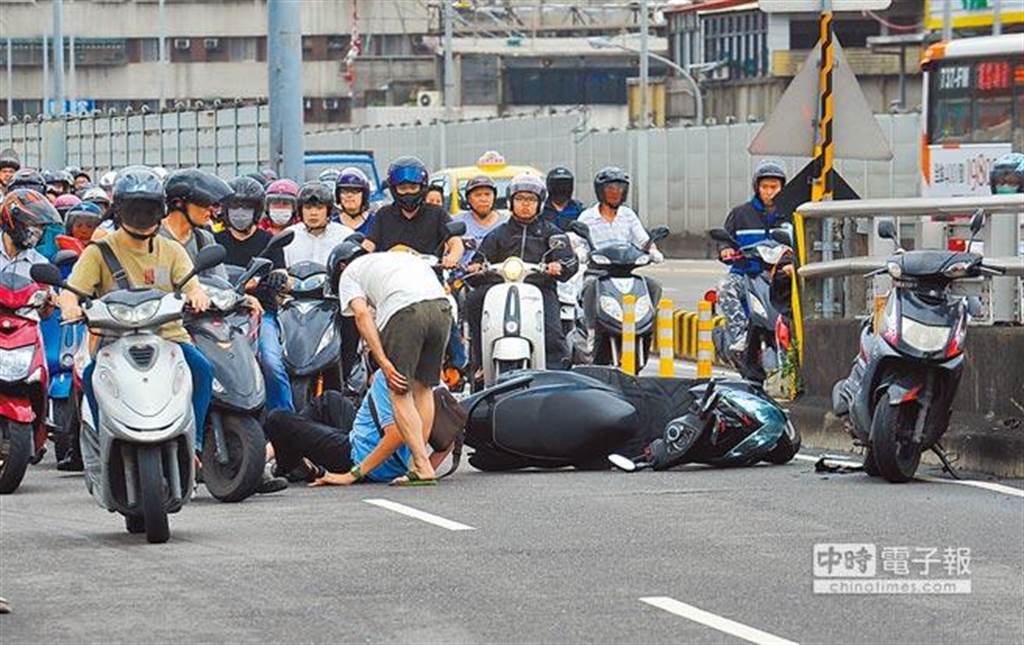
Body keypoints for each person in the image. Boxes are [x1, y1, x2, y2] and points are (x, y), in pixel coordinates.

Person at [56, 166, 215, 453]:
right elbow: (71, 292)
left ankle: (194, 443)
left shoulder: (172, 250)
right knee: (92, 378)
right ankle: (107, 443)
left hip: (169, 336)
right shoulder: (99, 251)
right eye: (134, 208)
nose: (142, 215)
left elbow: (192, 284)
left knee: (202, 370)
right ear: (119, 210)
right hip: (114, 338)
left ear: (161, 209)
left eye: (148, 208)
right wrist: (70, 308)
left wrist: (198, 295)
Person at [331, 240, 453, 485]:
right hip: (441, 308)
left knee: (399, 390)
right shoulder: (392, 259)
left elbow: (362, 316)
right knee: (423, 388)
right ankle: (419, 464)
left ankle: (420, 464)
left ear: (341, 266)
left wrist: (383, 361)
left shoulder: (350, 273)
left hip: (405, 312)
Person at [465, 173, 578, 371]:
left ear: (540, 203)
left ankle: (556, 373)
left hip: (540, 290)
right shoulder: (498, 234)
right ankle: (480, 363)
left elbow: (568, 259)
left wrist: (559, 266)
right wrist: (476, 268)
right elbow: (478, 261)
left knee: (552, 333)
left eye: (531, 199)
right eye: (520, 199)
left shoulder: (552, 233)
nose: (525, 204)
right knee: (474, 300)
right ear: (510, 201)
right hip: (500, 290)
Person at [266, 372, 458, 486]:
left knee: (278, 420)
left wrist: (353, 474)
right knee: (330, 400)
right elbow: (450, 435)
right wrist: (421, 467)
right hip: (388, 457)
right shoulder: (434, 380)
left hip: (356, 457)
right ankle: (269, 453)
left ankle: (293, 467)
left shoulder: (391, 377)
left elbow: (395, 435)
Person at [214, 175, 293, 415]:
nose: (240, 213)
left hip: (261, 315)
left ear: (257, 210)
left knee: (272, 363)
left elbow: (284, 277)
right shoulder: (214, 242)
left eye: (246, 207)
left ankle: (285, 421)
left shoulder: (269, 241)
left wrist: (280, 279)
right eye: (234, 207)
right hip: (220, 317)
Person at [715, 159, 792, 353]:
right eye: (764, 187)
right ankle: (740, 335)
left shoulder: (792, 214)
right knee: (725, 288)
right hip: (746, 274)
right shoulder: (740, 214)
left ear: (782, 188)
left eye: (774, 187)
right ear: (757, 187)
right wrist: (726, 249)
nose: (769, 191)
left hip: (780, 276)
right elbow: (726, 241)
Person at [363, 156, 464, 267]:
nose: (408, 192)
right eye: (403, 188)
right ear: (394, 189)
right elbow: (369, 244)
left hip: (430, 277)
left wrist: (452, 257)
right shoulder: (383, 214)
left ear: (422, 187)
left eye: (413, 187)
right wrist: (358, 258)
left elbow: (455, 242)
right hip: (390, 278)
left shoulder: (437, 213)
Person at [161, 168, 233, 278]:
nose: (210, 209)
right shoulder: (152, 236)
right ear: (179, 203)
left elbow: (219, 281)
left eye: (212, 204)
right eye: (204, 202)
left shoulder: (204, 239)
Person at [283, 181, 355, 266]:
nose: (313, 213)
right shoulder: (288, 236)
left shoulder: (345, 235)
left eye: (319, 208)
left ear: (328, 211)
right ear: (300, 210)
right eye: (308, 208)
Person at [1, 189, 61, 281]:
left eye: (41, 227)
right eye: (33, 224)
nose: (38, 231)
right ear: (13, 220)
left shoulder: (40, 264)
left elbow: (48, 292)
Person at [453, 175, 506, 258]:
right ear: (469, 199)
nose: (483, 199)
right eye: (478, 195)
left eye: (487, 194)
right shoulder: (456, 222)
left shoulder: (506, 223)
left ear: (494, 197)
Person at [334, 166, 376, 236]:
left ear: (364, 195)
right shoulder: (331, 225)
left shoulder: (376, 224)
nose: (349, 195)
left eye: (355, 191)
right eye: (344, 191)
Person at [541, 166, 584, 232]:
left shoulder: (579, 210)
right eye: (558, 185)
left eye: (565, 185)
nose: (561, 189)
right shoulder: (541, 210)